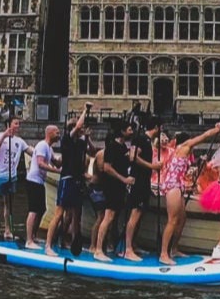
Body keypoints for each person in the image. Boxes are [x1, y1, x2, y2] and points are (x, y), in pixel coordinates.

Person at [159, 122, 220, 264]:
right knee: (172, 220)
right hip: (172, 185)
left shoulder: (182, 152)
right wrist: (216, 129)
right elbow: (204, 136)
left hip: (179, 185)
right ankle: (163, 254)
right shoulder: (184, 146)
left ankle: (174, 249)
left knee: (182, 219)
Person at [44, 105, 92, 254]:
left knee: (75, 216)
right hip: (67, 179)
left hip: (78, 181)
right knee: (59, 213)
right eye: (81, 128)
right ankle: (48, 246)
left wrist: (88, 138)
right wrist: (86, 110)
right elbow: (77, 126)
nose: (82, 129)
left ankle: (70, 242)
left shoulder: (80, 142)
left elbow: (92, 150)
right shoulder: (67, 139)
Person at [0, 116, 33, 241]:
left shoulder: (19, 141)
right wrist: (4, 135)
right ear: (9, 124)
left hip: (11, 177)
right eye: (16, 123)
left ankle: (7, 230)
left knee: (8, 204)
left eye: (19, 124)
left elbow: (31, 151)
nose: (18, 126)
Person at [90, 120, 137, 260]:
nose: (132, 132)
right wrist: (124, 179)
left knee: (114, 217)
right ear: (122, 131)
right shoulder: (112, 146)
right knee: (108, 216)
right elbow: (107, 167)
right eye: (129, 129)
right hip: (112, 186)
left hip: (120, 187)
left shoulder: (123, 147)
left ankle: (109, 246)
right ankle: (98, 250)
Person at [123, 115, 164, 260]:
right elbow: (132, 156)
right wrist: (152, 166)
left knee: (140, 214)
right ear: (157, 127)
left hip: (145, 181)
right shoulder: (141, 139)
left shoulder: (148, 141)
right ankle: (127, 249)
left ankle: (133, 244)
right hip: (138, 181)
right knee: (135, 214)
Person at [25, 125, 61, 250]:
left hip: (40, 182)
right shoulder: (42, 145)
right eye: (57, 133)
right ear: (50, 133)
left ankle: (33, 236)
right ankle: (28, 240)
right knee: (34, 210)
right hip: (33, 180)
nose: (59, 135)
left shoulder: (49, 148)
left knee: (42, 209)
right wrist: (56, 171)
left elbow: (56, 162)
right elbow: (40, 164)